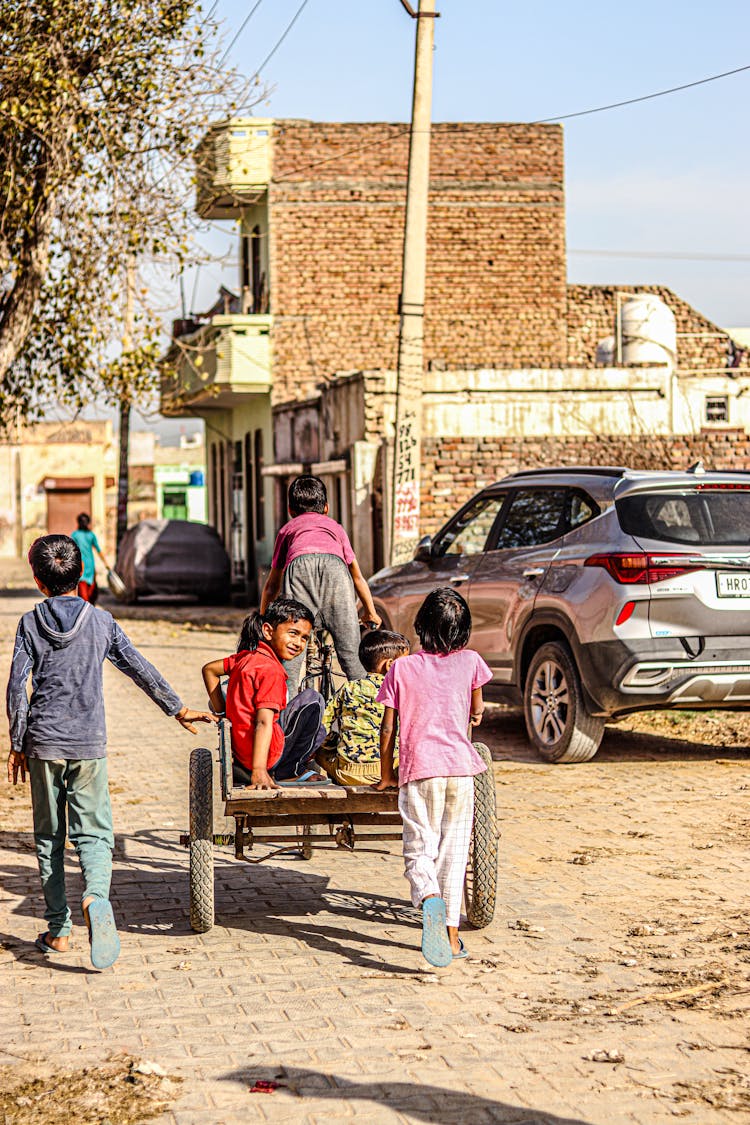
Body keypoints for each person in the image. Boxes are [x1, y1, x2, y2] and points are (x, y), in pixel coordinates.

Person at [5, 534, 216, 969]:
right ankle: (95, 897)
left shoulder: (29, 623)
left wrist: (17, 743)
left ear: (38, 582)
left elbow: (16, 687)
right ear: (81, 576)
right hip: (88, 744)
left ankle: (59, 930)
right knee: (96, 834)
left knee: (49, 837)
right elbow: (137, 665)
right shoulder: (101, 621)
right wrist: (176, 707)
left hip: (44, 742)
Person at [374, 587, 492, 968]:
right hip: (461, 770)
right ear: (465, 631)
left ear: (420, 626)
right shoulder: (472, 662)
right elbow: (476, 713)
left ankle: (428, 897)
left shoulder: (401, 668)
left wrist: (387, 775)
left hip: (419, 771)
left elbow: (388, 729)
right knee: (453, 854)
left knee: (419, 849)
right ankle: (452, 938)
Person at [259, 476, 381, 693]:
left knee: (291, 658)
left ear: (290, 510)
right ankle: (368, 714)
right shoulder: (335, 527)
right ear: (326, 507)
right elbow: (357, 577)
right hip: (336, 572)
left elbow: (272, 585)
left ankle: (285, 718)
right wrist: (370, 612)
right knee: (352, 658)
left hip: (300, 569)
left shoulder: (288, 529)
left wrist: (264, 619)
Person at [202, 599, 326, 790]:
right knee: (313, 700)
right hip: (266, 758)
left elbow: (209, 670)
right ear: (268, 631)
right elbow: (263, 722)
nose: (298, 643)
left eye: (304, 638)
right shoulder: (271, 671)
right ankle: (289, 771)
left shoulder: (246, 657)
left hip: (241, 751)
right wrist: (259, 770)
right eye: (293, 633)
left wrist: (222, 714)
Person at [317, 629, 409, 787]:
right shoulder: (401, 691)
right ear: (390, 665)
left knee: (320, 754)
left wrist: (334, 744)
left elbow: (322, 727)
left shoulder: (349, 688)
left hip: (348, 773)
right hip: (389, 771)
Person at [71, 513, 109, 604]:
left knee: (88, 595)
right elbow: (99, 550)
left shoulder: (86, 535)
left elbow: (98, 550)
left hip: (87, 566)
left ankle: (88, 613)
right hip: (85, 566)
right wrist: (106, 563)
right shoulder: (79, 535)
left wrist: (106, 563)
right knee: (86, 596)